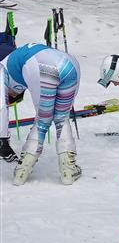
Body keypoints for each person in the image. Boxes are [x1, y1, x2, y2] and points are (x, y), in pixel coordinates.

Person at [0, 43, 81, 185]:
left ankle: (22, 170)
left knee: (43, 120)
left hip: (40, 65)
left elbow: (1, 107)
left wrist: (3, 138)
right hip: (71, 64)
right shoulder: (15, 63)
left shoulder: (2, 68)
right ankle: (68, 170)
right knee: (62, 117)